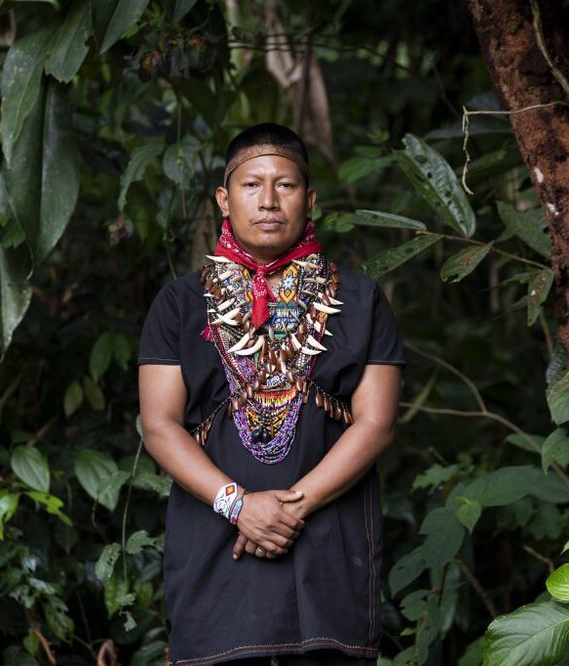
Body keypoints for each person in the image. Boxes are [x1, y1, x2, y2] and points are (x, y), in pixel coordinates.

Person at [137, 123, 405, 666]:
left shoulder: (360, 299)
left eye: (285, 185)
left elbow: (376, 423)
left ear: (310, 199)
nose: (268, 201)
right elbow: (159, 425)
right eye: (251, 184)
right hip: (216, 551)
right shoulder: (180, 304)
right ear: (224, 199)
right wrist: (239, 506)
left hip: (328, 549)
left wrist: (286, 509)